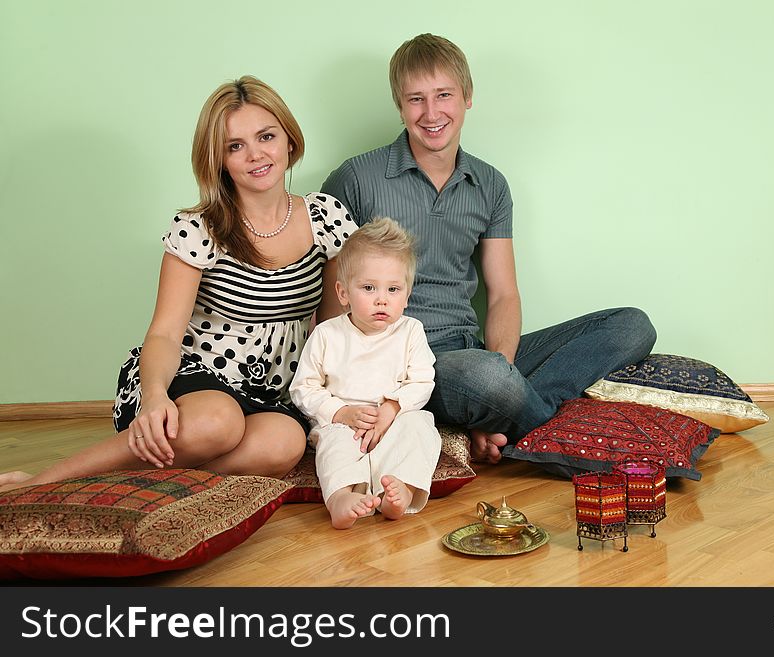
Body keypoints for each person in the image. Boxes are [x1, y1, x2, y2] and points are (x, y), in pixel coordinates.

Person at [0, 75, 358, 493]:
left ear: (289, 141)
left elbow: (333, 329)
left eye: (266, 136)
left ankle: (130, 482)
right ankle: (44, 483)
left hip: (271, 391)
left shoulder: (326, 218)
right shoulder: (199, 228)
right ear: (219, 159)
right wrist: (154, 397)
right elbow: (166, 333)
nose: (256, 155)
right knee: (216, 423)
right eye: (235, 146)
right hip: (192, 377)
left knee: (283, 445)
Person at [321, 34, 657, 465]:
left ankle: (506, 418)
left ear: (467, 97)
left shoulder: (490, 185)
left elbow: (503, 295)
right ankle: (555, 441)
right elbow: (331, 297)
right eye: (416, 99)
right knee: (487, 377)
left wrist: (501, 375)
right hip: (400, 360)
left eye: (444, 95)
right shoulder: (355, 178)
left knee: (632, 325)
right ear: (399, 105)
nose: (431, 113)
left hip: (472, 349)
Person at [290, 217, 441, 530]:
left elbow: (422, 381)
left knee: (421, 426)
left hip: (393, 420)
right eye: (369, 288)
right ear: (343, 293)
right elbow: (303, 388)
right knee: (334, 444)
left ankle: (400, 488)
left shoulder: (411, 331)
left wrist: (393, 408)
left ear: (407, 294)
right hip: (347, 424)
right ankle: (342, 497)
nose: (382, 299)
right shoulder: (327, 334)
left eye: (393, 289)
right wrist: (340, 412)